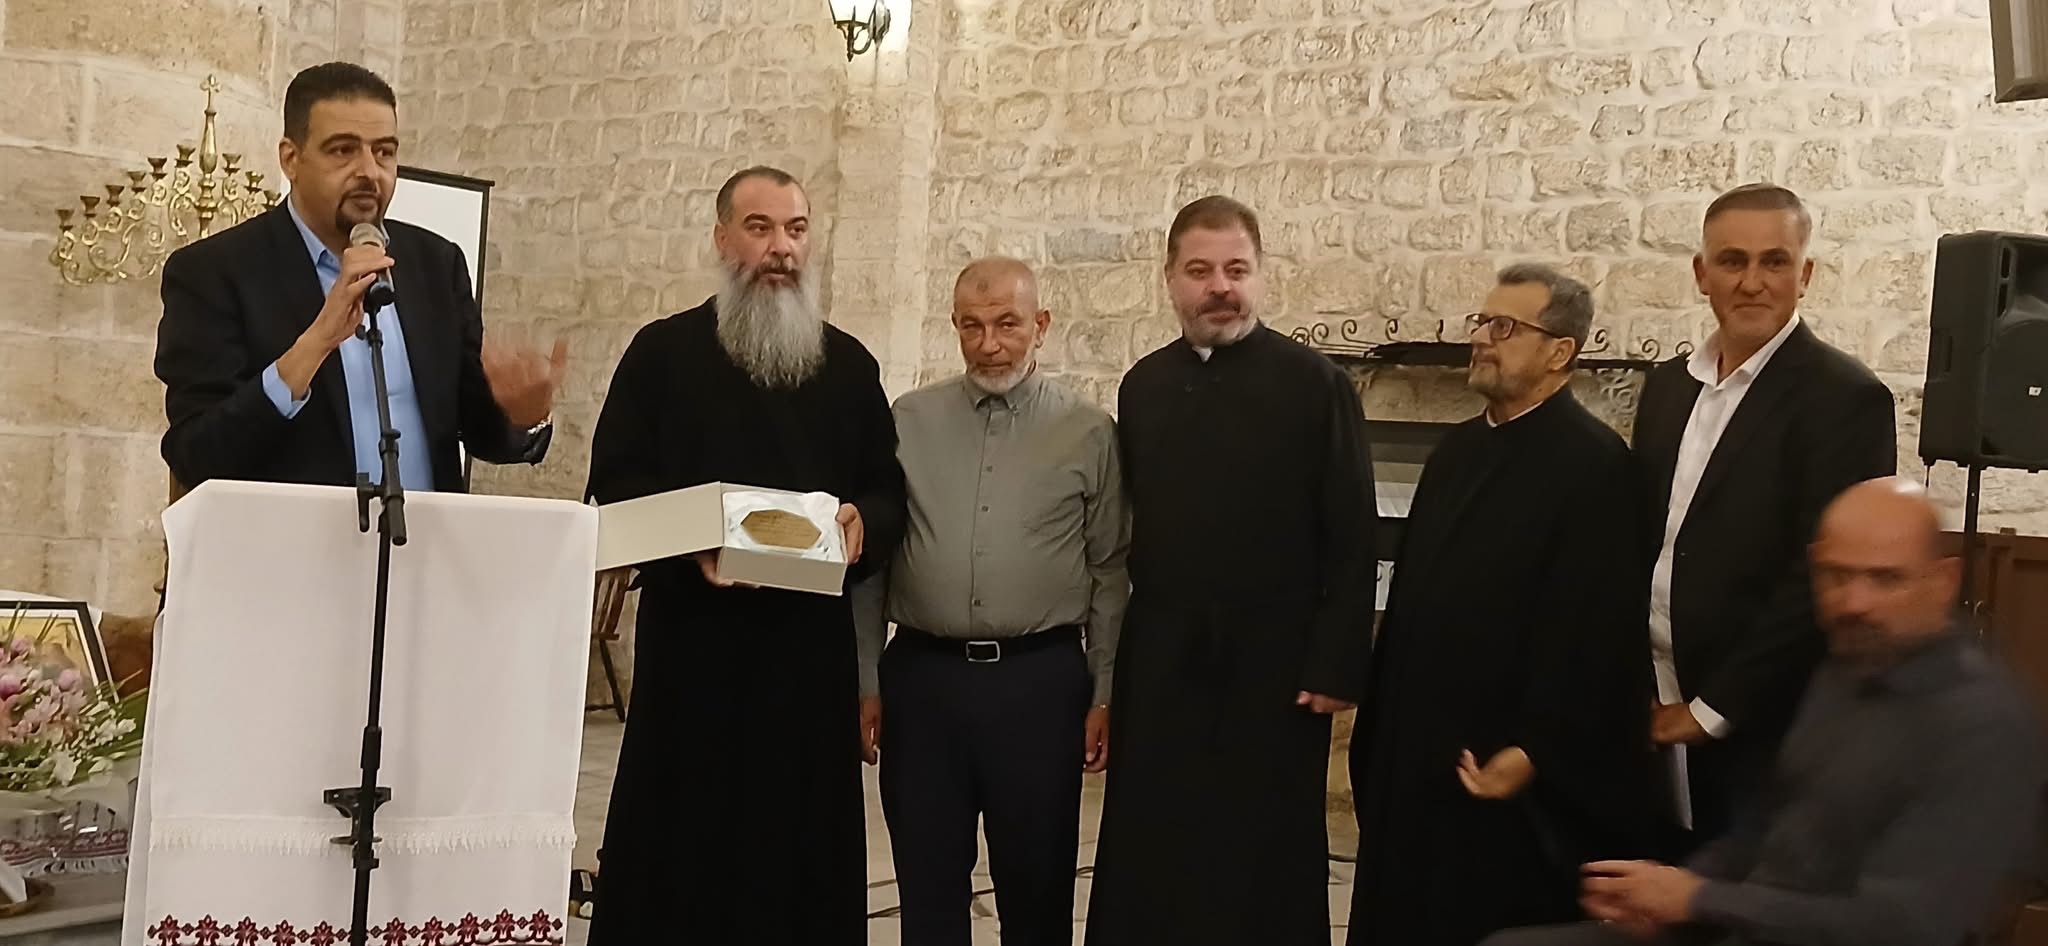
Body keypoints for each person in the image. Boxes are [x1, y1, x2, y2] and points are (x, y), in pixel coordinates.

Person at [1481, 477, 2044, 946]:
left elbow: (1904, 925)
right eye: (1837, 575)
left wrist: (1699, 900)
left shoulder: (1982, 723)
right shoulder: (1844, 670)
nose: (1855, 603)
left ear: (1943, 580)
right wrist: (1667, 896)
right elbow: (1766, 835)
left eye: (1885, 579)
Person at [582, 166, 907, 945]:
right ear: (722, 238)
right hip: (694, 658)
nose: (781, 248)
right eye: (760, 228)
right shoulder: (662, 354)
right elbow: (616, 482)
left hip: (807, 664)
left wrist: (864, 520)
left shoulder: (849, 365)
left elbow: (887, 490)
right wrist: (690, 541)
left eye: (796, 229)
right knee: (680, 853)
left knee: (799, 859)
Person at [1084, 196, 1378, 946]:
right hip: (1164, 656)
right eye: (1200, 271)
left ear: (1260, 276)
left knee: (1262, 849)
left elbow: (1353, 532)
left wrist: (1336, 661)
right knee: (1156, 841)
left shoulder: (1316, 384)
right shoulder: (1143, 386)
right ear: (1170, 280)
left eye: (1236, 270)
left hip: (1276, 662)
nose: (1220, 287)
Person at [1347, 265, 1658, 946]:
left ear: (1559, 352)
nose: (1482, 338)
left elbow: (1597, 636)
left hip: (1499, 766)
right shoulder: (1455, 452)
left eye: (1505, 327)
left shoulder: (1596, 467)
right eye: (1482, 323)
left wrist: (1535, 749)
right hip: (1415, 753)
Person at [853, 257, 1129, 946]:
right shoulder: (907, 421)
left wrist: (1104, 692)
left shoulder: (1088, 430)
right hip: (923, 682)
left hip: (1040, 686)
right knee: (927, 891)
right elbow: (872, 563)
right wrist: (865, 681)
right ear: (954, 326)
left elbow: (1109, 571)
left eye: (1008, 324)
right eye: (971, 327)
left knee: (1037, 892)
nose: (989, 344)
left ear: (1041, 324)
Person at [155, 61, 564, 495]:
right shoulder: (214, 272)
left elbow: (479, 430)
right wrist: (314, 345)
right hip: (293, 537)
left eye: (384, 151)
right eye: (342, 150)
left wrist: (525, 416)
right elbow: (196, 456)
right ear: (291, 159)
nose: (369, 171)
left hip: (424, 535)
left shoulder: (436, 264)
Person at [1633, 183, 1896, 847]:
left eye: (1774, 261)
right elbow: (1646, 539)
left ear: (1805, 275)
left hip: (1768, 724)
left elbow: (1825, 576)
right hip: (1653, 701)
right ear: (1702, 274)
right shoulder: (1665, 389)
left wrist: (1711, 710)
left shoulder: (1845, 398)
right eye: (1732, 261)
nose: (1752, 282)